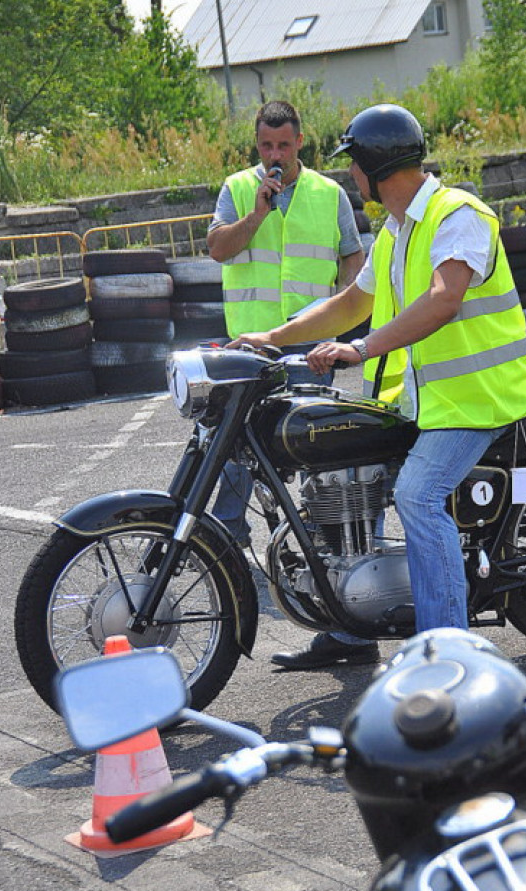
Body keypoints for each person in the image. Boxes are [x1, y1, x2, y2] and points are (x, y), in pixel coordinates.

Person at [229, 103, 526, 664]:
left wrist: (362, 347)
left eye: (355, 162)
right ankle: (353, 627)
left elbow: (445, 298)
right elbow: (351, 303)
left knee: (416, 496)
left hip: (477, 400)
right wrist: (272, 336)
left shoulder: (456, 216)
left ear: (373, 164)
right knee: (352, 472)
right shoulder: (397, 232)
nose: (351, 173)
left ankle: (449, 650)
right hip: (424, 401)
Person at [206, 99, 373, 670]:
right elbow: (219, 248)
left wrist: (343, 317)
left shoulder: (331, 195)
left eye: (283, 145)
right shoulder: (236, 189)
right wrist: (256, 213)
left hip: (311, 350)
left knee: (321, 461)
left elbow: (355, 262)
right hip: (251, 349)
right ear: (256, 146)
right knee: (229, 457)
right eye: (265, 147)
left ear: (300, 141)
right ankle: (224, 558)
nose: (273, 155)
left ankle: (325, 565)